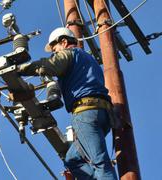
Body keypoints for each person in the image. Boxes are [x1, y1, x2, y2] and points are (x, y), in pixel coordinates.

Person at [18, 27, 117, 179]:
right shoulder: (88, 59)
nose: (54, 52)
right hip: (102, 115)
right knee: (73, 160)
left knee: (100, 163)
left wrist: (19, 69)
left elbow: (49, 65)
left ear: (63, 42)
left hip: (85, 113)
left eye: (54, 48)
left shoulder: (69, 54)